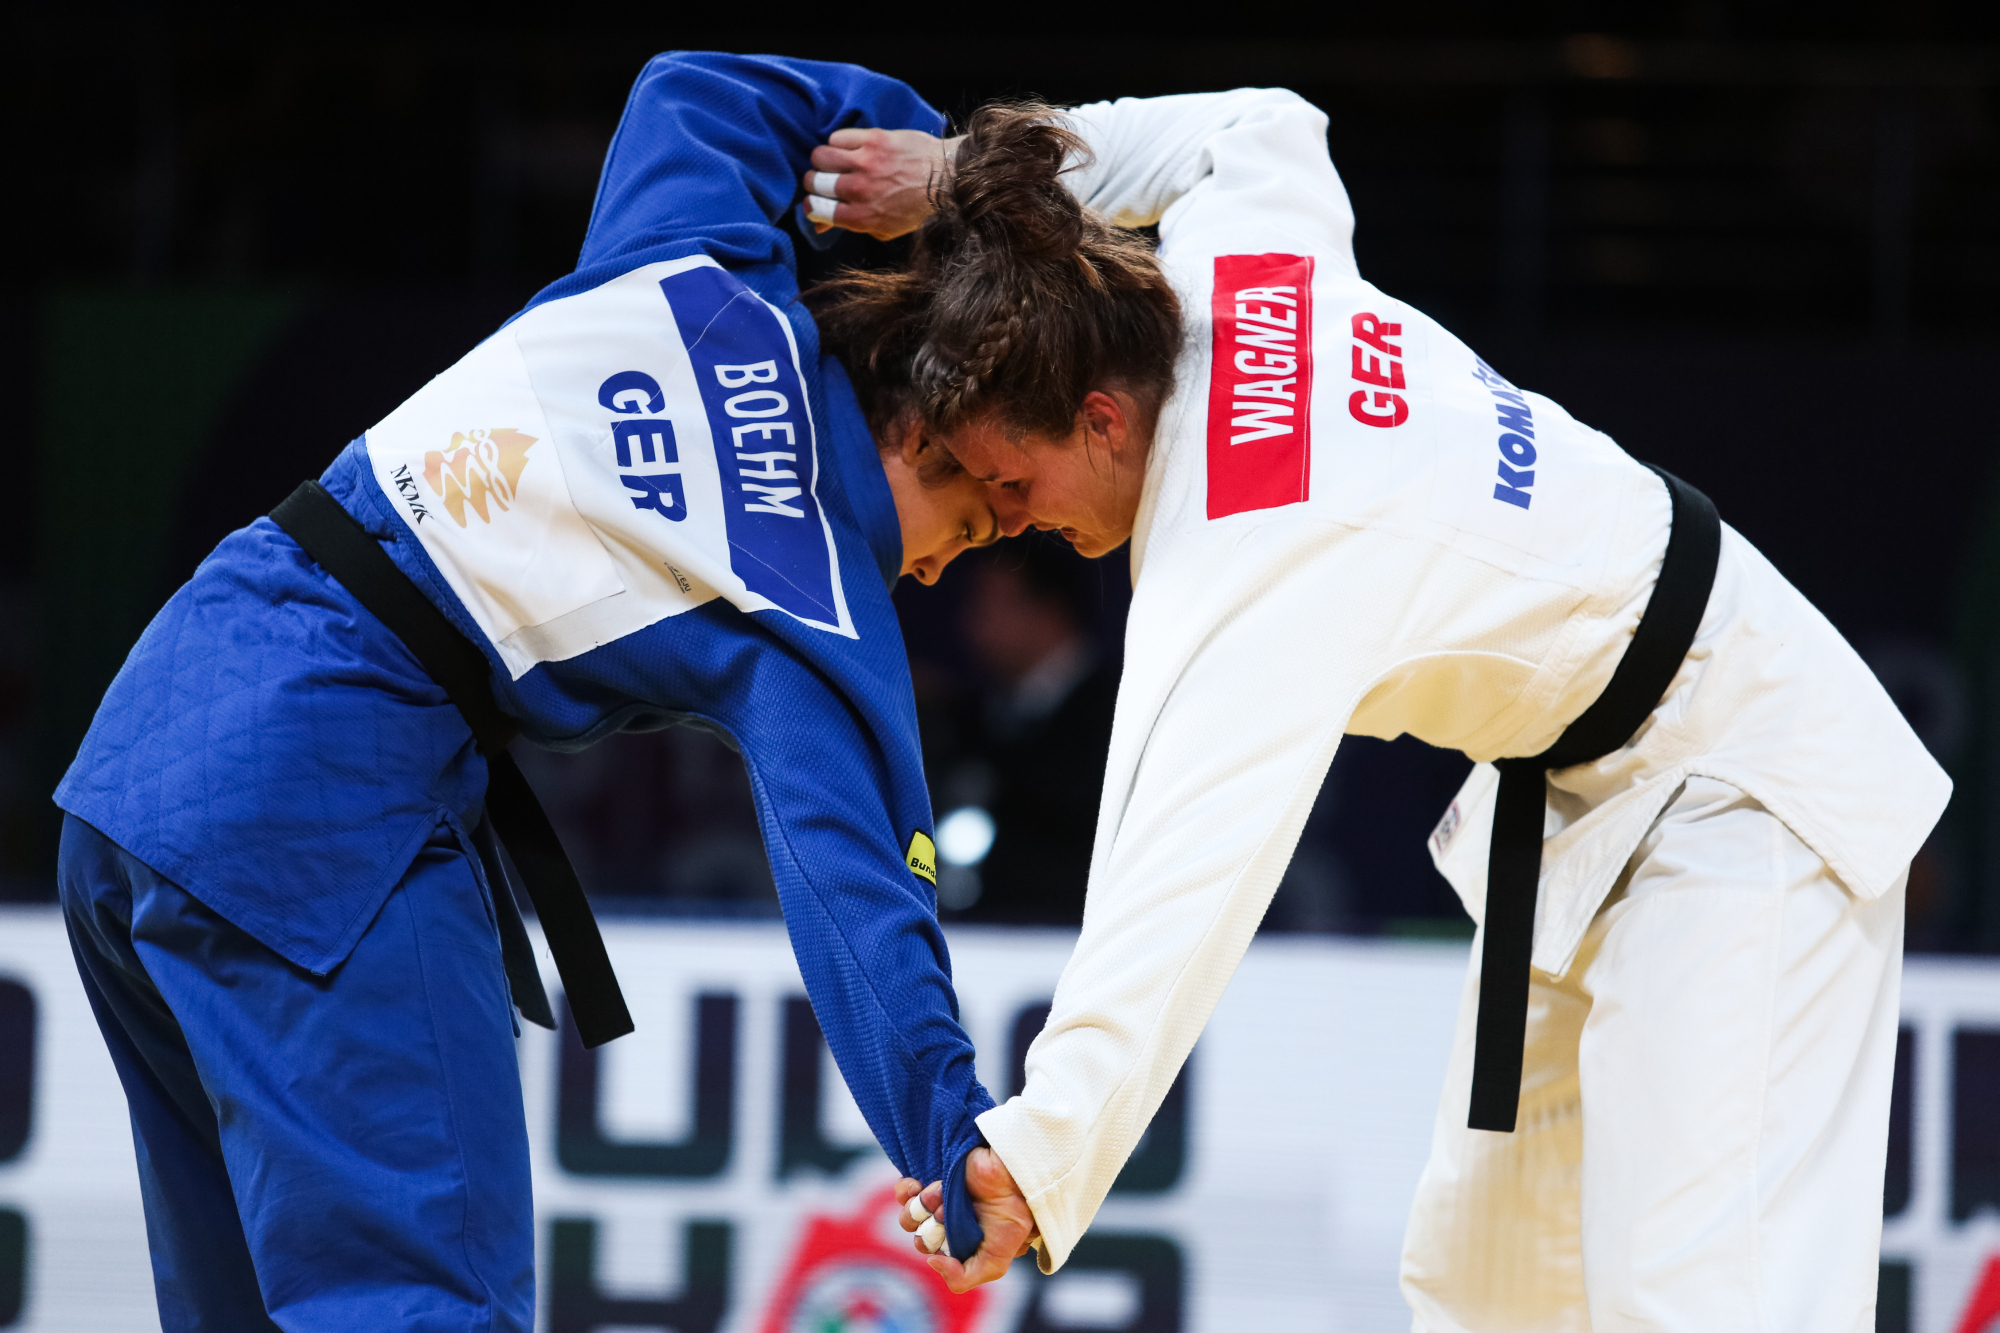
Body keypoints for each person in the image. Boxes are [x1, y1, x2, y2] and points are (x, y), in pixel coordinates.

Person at [810, 90, 1948, 1328]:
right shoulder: (1237, 275)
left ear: (1098, 418)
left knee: (1705, 1295)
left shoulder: (1243, 546)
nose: (1015, 520)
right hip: (1588, 791)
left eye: (1013, 482)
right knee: (1485, 1284)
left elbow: (1173, 882)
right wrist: (954, 173)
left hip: (1744, 776)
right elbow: (1257, 126)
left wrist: (1040, 1149)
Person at [52, 53, 1022, 1332]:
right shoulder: (814, 601)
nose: (945, 564)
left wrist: (939, 174)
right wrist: (951, 1137)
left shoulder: (699, 269)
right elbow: (862, 900)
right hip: (321, 799)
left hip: (151, 742)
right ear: (922, 421)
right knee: (423, 1308)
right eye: (975, 516)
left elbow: (700, 90)